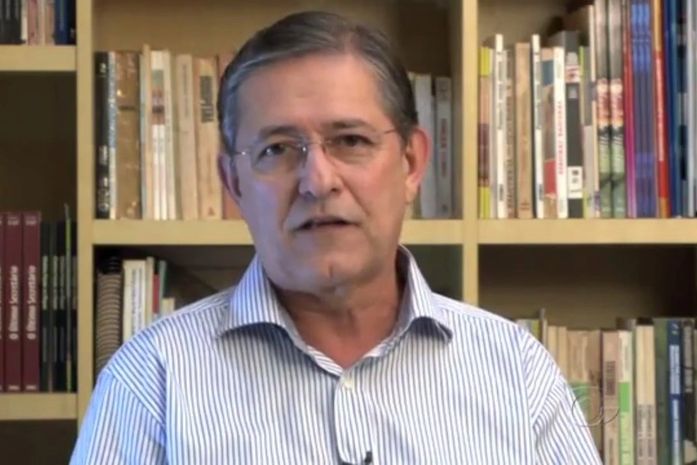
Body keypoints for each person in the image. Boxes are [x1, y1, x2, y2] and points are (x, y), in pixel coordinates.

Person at [71, 11, 602, 464]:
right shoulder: (152, 381)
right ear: (234, 184)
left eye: (350, 140)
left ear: (411, 163)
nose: (318, 181)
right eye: (277, 149)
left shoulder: (517, 371)